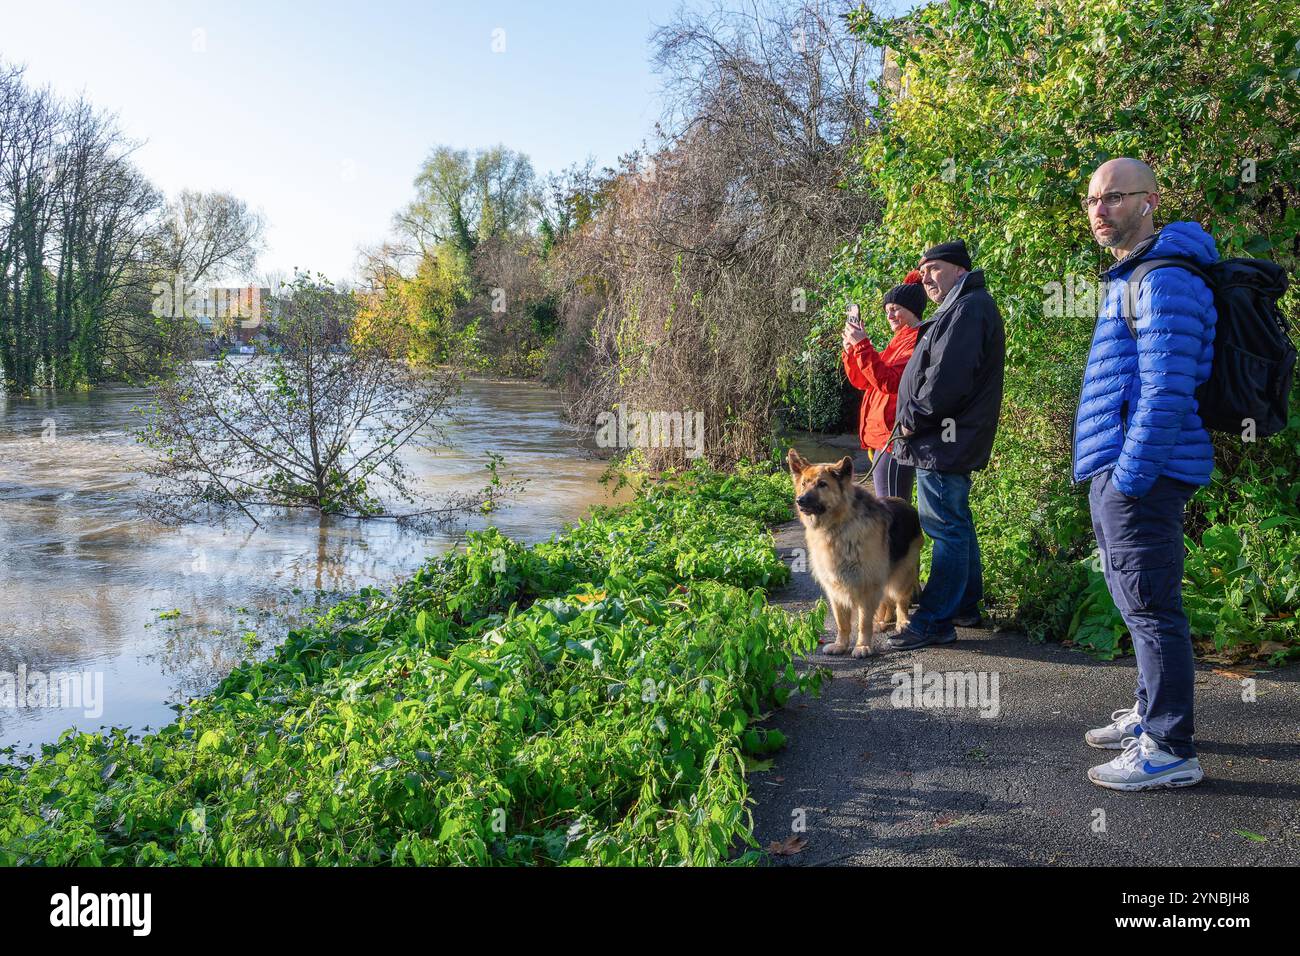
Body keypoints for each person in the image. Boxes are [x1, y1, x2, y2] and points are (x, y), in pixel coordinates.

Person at [1075, 158, 1217, 791]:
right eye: (1092, 201)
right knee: (1138, 602)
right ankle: (1149, 714)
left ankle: (1168, 746)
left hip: (1142, 473)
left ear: (1150, 201)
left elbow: (1165, 391)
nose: (1099, 210)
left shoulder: (1162, 279)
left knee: (1153, 607)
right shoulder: (1132, 275)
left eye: (1113, 198)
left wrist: (1128, 476)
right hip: (1123, 467)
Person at [886, 240, 1005, 650]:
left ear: (958, 270)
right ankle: (965, 605)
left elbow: (947, 382)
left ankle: (936, 620)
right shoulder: (963, 307)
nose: (926, 278)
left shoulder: (969, 308)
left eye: (934, 268)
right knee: (956, 520)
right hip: (947, 438)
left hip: (942, 439)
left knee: (943, 527)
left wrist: (911, 420)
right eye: (922, 271)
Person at [841, 270, 926, 501]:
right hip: (883, 438)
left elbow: (889, 382)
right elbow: (863, 381)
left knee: (891, 511)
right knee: (888, 509)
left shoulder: (916, 340)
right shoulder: (898, 341)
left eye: (895, 308)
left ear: (912, 309)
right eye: (887, 309)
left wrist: (862, 346)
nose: (890, 314)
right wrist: (852, 350)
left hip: (893, 438)